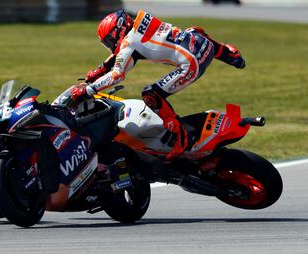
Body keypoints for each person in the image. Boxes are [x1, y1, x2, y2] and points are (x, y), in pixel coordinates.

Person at [70, 9, 245, 160]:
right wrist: (100, 69)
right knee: (193, 32)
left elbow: (117, 74)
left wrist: (89, 89)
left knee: (150, 94)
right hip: (206, 46)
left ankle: (180, 137)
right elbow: (121, 54)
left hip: (192, 63)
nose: (110, 45)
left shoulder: (128, 43)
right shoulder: (143, 21)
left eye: (110, 40)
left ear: (119, 30)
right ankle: (230, 54)